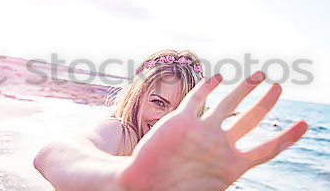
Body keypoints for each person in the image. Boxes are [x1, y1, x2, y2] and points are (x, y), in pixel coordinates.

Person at [33, 49, 308, 191]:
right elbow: (51, 154)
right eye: (158, 103)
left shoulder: (185, 165)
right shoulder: (119, 132)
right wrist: (123, 179)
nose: (165, 120)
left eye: (177, 112)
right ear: (137, 97)